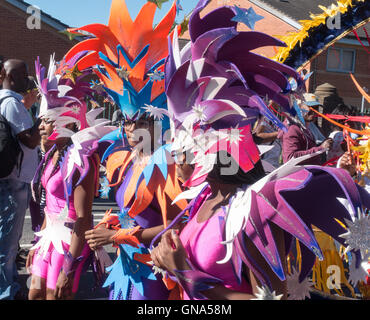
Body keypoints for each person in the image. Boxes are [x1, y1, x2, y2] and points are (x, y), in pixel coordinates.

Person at [149, 0, 369, 300]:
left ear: (208, 153)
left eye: (181, 149)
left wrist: (186, 273)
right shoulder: (202, 197)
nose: (175, 159)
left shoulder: (252, 210)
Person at [66, 0, 188, 300]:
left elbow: (179, 226)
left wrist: (119, 235)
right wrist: (112, 223)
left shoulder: (171, 163)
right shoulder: (121, 158)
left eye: (143, 121)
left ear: (159, 121)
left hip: (157, 270)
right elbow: (130, 211)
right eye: (128, 121)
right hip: (125, 265)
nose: (133, 130)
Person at [26, 54, 115, 300]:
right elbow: (48, 209)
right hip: (49, 238)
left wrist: (69, 265)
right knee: (34, 294)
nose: (40, 126)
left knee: (56, 297)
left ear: (63, 122)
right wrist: (37, 242)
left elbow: (83, 218)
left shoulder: (80, 160)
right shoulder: (51, 154)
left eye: (46, 121)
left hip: (69, 242)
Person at [0, 59, 40, 300]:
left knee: (6, 237)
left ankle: (9, 283)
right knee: (8, 241)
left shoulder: (7, 102)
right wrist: (43, 122)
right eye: (24, 75)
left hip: (8, 177)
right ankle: (6, 291)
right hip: (15, 180)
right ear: (11, 78)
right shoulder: (12, 104)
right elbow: (30, 140)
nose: (28, 78)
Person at [279, 93, 333, 165]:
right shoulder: (292, 128)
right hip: (299, 174)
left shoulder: (305, 127)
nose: (314, 112)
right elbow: (290, 157)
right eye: (310, 108)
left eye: (316, 108)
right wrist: (320, 148)